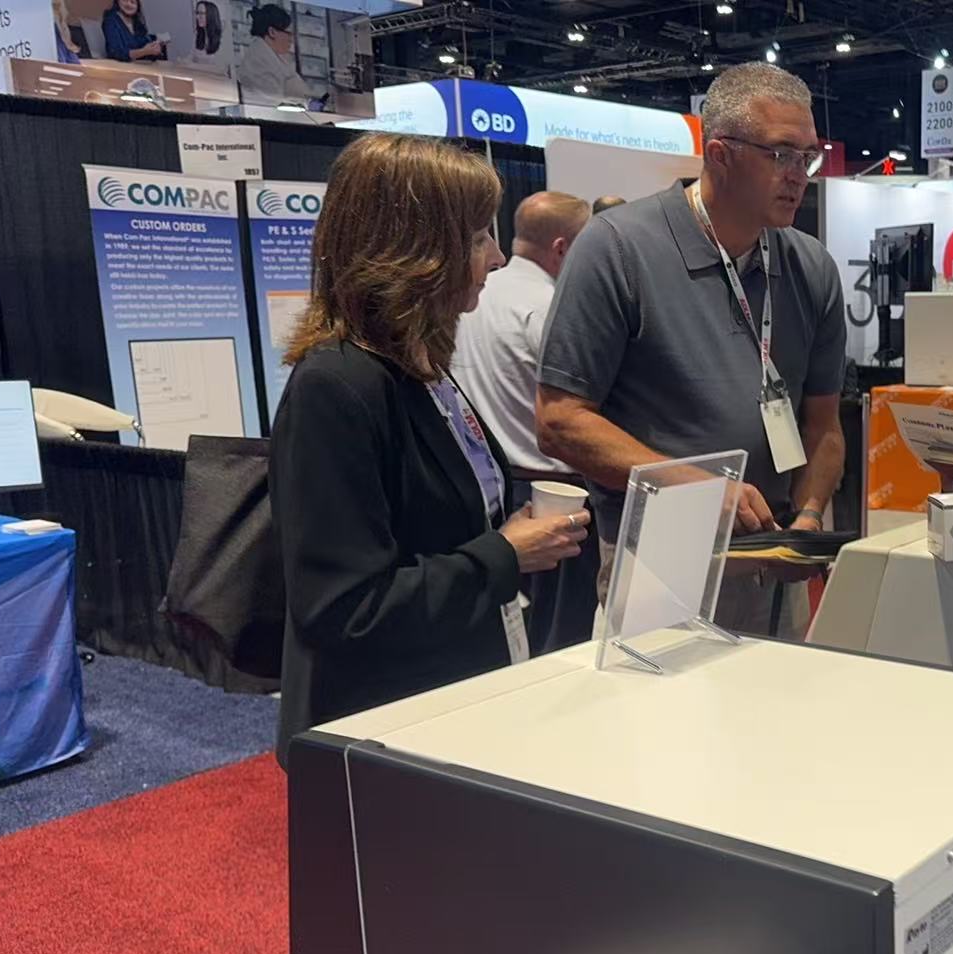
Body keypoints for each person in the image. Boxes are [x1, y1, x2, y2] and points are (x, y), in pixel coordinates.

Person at [271, 133, 590, 787]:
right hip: (382, 739)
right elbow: (342, 610)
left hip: (448, 706)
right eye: (476, 239)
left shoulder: (423, 369)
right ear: (411, 250)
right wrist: (504, 555)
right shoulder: (336, 387)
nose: (496, 258)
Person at [536, 62, 847, 636]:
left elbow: (823, 428)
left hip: (775, 560)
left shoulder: (811, 267)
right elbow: (560, 421)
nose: (798, 175)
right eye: (781, 154)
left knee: (783, 694)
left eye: (808, 157)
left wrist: (806, 519)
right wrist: (698, 491)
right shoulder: (618, 249)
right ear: (720, 154)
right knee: (659, 696)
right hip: (659, 557)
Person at [451, 191, 596, 655]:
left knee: (514, 633)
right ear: (562, 248)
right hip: (555, 496)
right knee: (561, 643)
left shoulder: (472, 299)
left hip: (494, 492)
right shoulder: (552, 307)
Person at [237, 3, 321, 105]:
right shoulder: (257, 60)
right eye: (289, 33)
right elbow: (273, 100)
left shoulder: (273, 54)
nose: (291, 39)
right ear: (272, 32)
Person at [188, 1, 224, 67]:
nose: (197, 17)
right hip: (198, 72)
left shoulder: (221, 38)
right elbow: (191, 58)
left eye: (201, 13)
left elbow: (222, 66)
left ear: (211, 15)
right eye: (197, 13)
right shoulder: (197, 34)